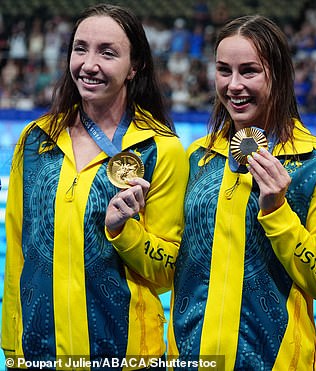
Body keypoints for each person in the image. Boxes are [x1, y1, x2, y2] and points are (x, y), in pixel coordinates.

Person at [1, 3, 188, 368]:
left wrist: (124, 232)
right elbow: (18, 251)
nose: (88, 64)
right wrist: (13, 348)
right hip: (39, 352)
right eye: (80, 48)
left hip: (126, 356)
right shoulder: (37, 139)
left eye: (108, 52)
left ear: (135, 66)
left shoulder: (160, 149)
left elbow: (168, 273)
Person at [167, 15, 316, 370]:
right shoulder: (197, 157)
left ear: (277, 75)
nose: (233, 85)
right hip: (189, 357)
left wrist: (278, 210)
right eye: (224, 70)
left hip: (278, 361)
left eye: (249, 71)